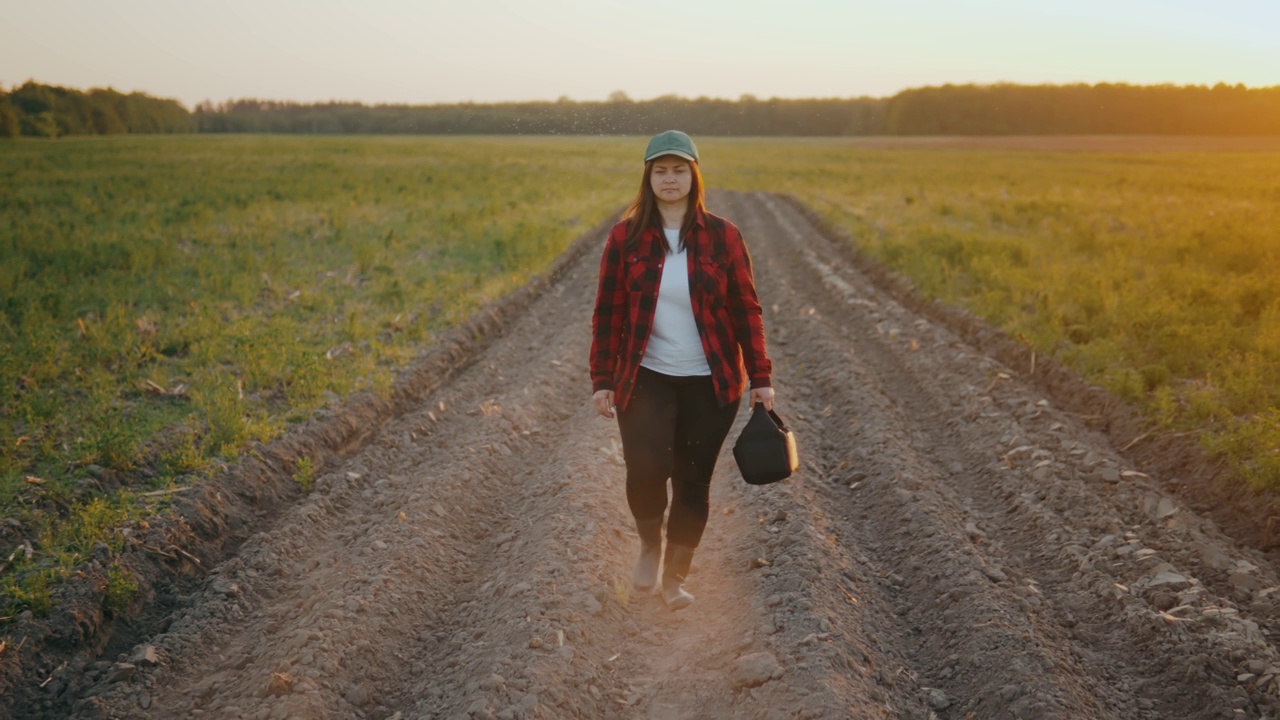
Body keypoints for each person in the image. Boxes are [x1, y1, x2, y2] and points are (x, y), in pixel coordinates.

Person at [589, 130, 774, 610]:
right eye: (660, 170)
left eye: (678, 170)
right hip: (645, 375)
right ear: (647, 177)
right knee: (646, 470)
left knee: (693, 479)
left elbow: (745, 309)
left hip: (711, 382)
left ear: (694, 175)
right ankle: (650, 547)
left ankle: (675, 578)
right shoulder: (624, 237)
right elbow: (607, 312)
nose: (669, 179)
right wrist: (602, 380)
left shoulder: (724, 235)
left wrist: (761, 377)